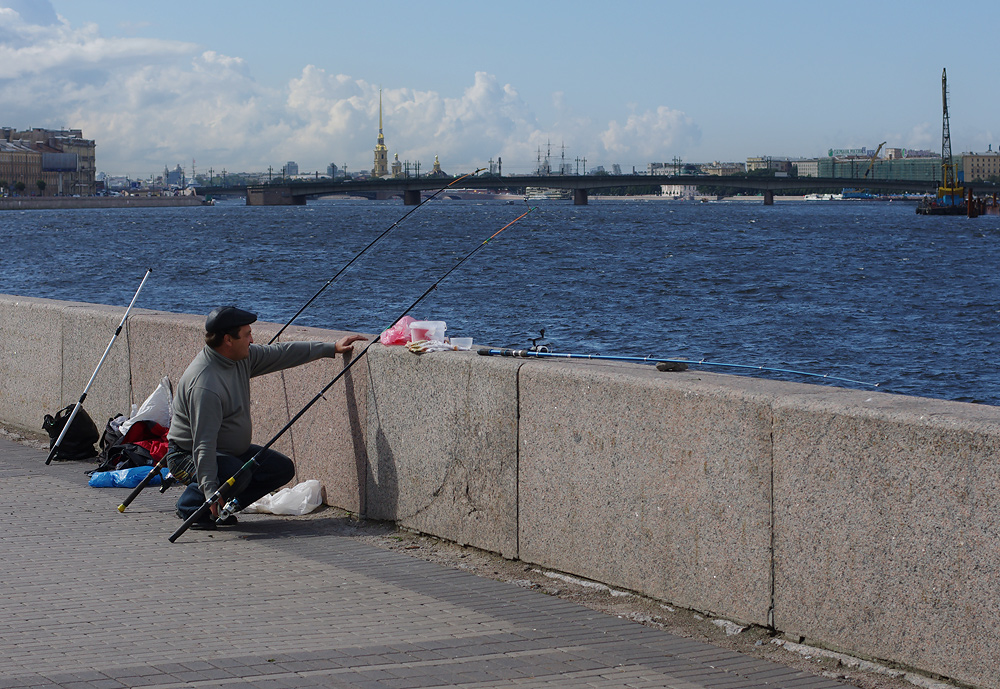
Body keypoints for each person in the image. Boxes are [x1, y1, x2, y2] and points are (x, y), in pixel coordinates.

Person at [166, 306, 365, 529]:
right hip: (185, 456)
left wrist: (331, 348)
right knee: (236, 473)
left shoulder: (240, 358)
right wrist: (210, 489)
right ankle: (191, 507)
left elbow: (282, 353)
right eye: (247, 334)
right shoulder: (206, 384)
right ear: (228, 340)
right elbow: (203, 444)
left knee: (281, 468)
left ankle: (224, 508)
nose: (252, 339)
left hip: (227, 453)